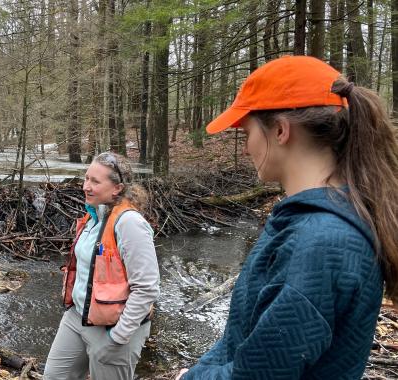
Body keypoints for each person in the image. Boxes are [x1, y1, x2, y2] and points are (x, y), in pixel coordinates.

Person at [176, 55, 398, 379]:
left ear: (280, 130)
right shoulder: (323, 223)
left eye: (246, 131)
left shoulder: (320, 244)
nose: (245, 148)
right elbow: (245, 343)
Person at [44, 152, 160, 380]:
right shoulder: (93, 216)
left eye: (95, 181)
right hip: (77, 317)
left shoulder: (130, 224)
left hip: (114, 328)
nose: (86, 186)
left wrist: (118, 336)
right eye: (86, 178)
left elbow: (147, 288)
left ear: (117, 188)